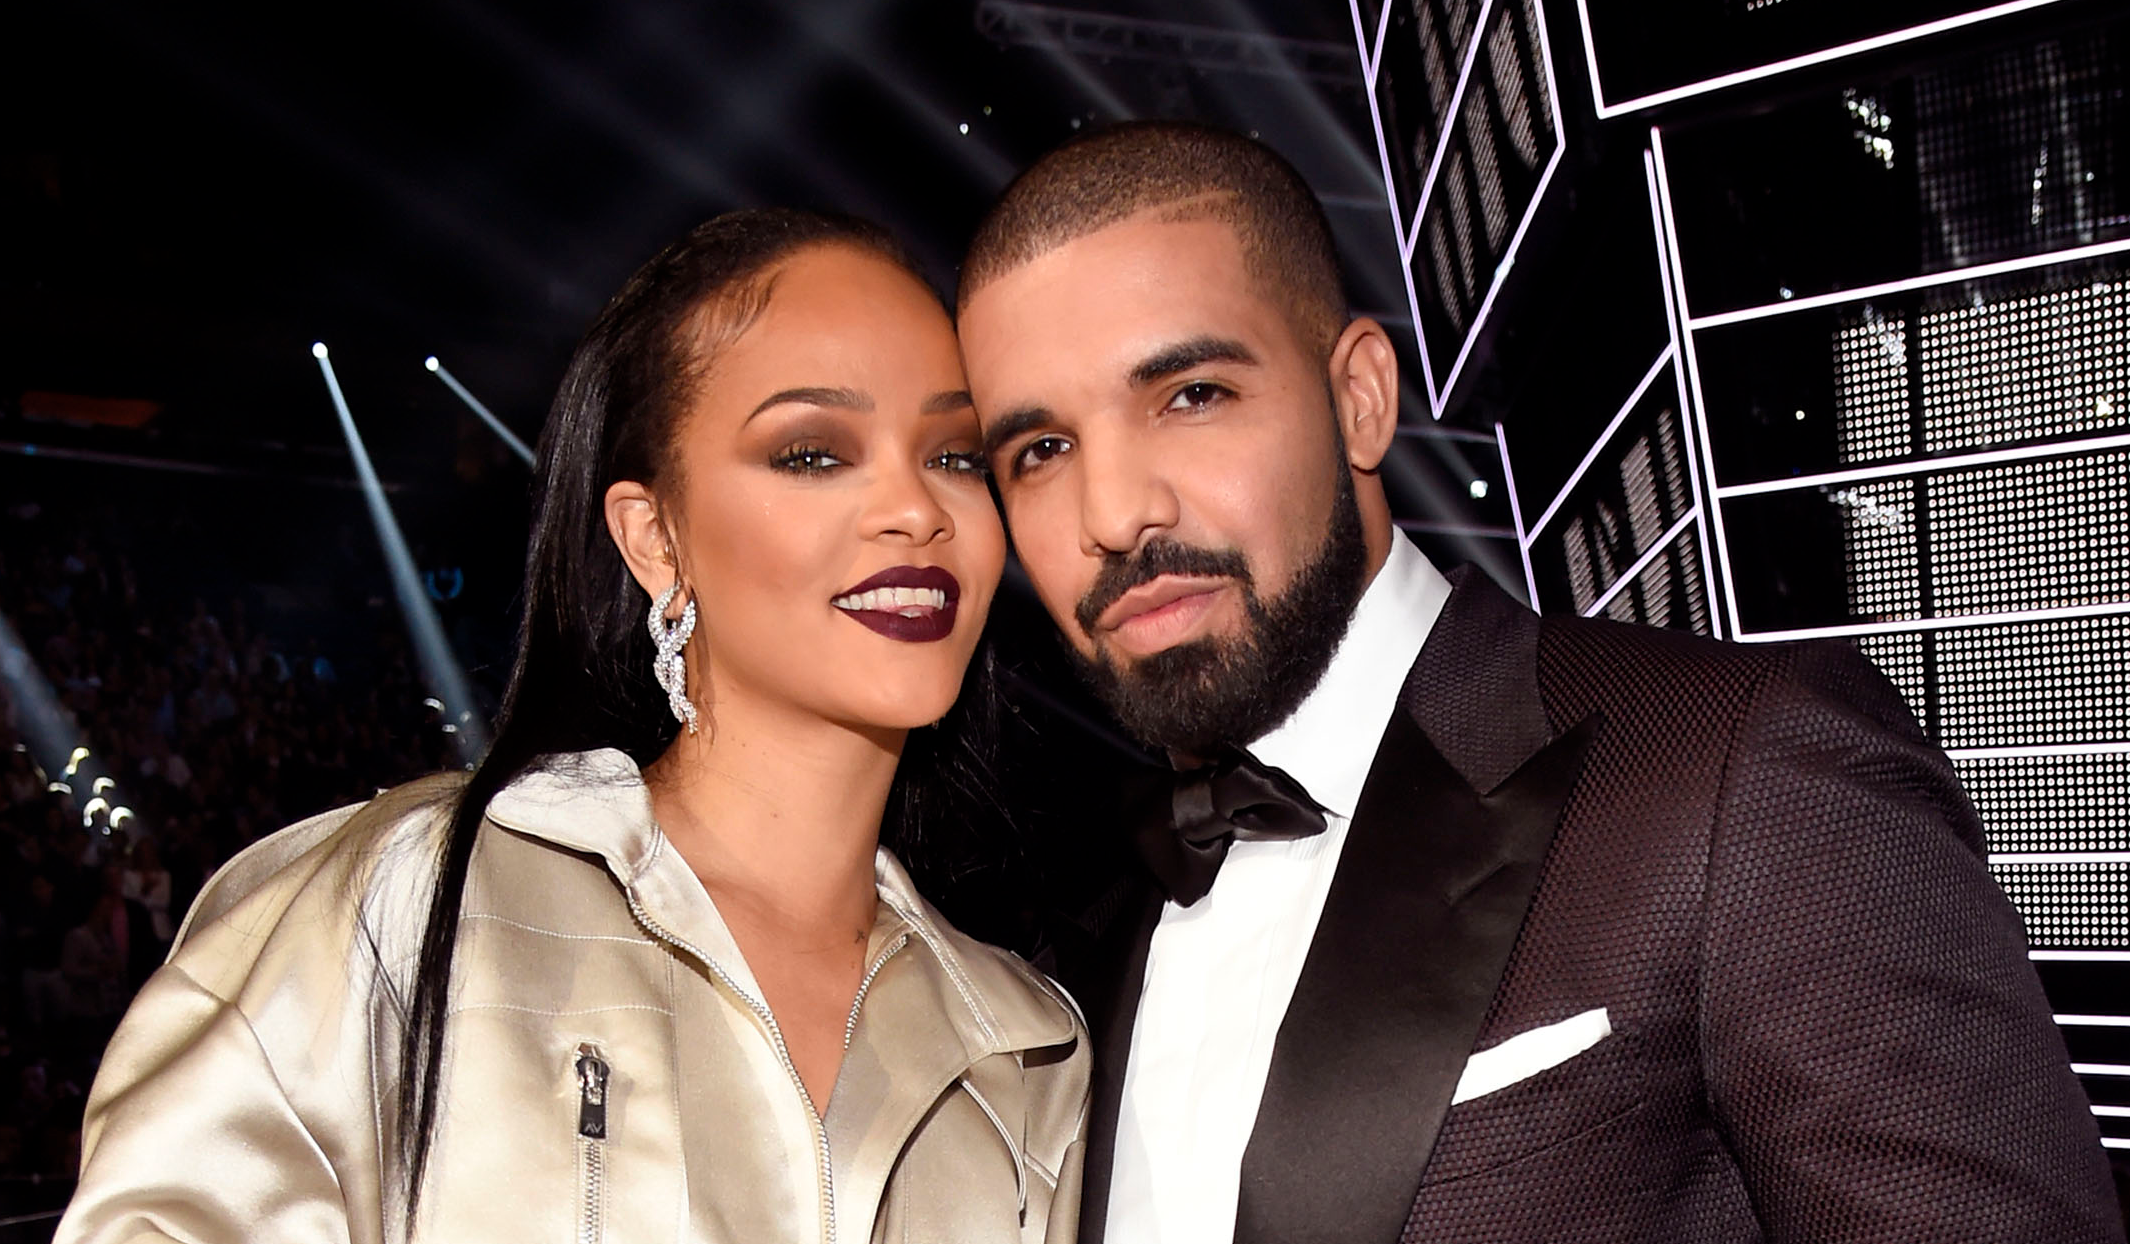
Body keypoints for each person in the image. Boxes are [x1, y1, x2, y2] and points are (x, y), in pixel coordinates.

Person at [954, 121, 2123, 1243]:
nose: (1115, 511)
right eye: (1040, 450)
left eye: (1191, 395)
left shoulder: (1742, 770)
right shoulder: (1060, 962)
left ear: (1359, 397)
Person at [57, 208, 1089, 1244]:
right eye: (814, 453)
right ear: (655, 536)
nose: (915, 508)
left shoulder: (1029, 1053)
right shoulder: (400, 906)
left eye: (956, 456)